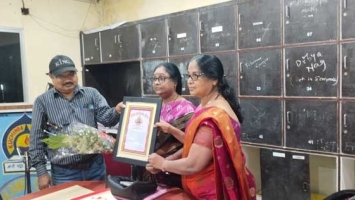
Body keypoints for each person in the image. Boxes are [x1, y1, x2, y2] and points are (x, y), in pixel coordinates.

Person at [147, 55, 256, 200]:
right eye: (189, 75)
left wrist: (163, 164)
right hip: (202, 187)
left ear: (214, 79)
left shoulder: (214, 115)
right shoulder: (205, 105)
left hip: (214, 190)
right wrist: (170, 144)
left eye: (195, 76)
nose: (189, 81)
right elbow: (194, 144)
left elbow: (193, 164)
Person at [29, 55, 124, 190]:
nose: (68, 79)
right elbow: (36, 140)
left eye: (71, 74)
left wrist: (117, 111)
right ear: (51, 76)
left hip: (95, 168)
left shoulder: (91, 94)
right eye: (61, 76)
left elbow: (106, 119)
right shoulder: (42, 102)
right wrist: (42, 172)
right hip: (64, 173)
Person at [133, 62, 196, 188]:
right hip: (147, 169)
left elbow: (192, 144)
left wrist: (167, 161)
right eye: (154, 79)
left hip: (172, 171)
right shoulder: (151, 107)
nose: (156, 82)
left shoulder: (187, 109)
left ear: (175, 82)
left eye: (161, 78)